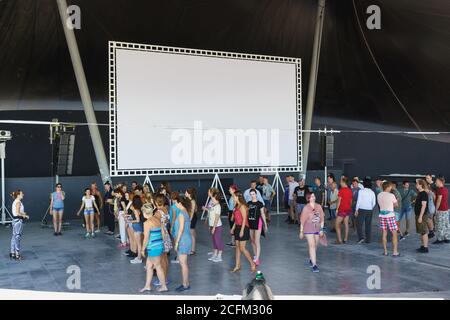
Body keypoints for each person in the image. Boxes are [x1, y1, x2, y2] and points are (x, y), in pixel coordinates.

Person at [140, 203, 168, 293]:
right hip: (159, 246)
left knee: (158, 266)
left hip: (153, 247)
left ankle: (164, 286)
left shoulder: (147, 223)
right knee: (149, 266)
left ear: (144, 213)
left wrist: (142, 249)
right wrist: (162, 244)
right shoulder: (157, 219)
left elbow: (146, 238)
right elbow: (163, 232)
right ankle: (147, 286)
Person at [230, 191, 256, 273]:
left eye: (234, 196)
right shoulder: (236, 206)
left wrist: (241, 230)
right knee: (237, 248)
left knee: (242, 248)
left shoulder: (243, 206)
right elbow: (237, 219)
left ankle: (252, 263)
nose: (233, 198)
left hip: (244, 228)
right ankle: (237, 266)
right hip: (237, 227)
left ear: (238, 197)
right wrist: (233, 227)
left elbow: (244, 219)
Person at [299, 193, 325, 273]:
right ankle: (314, 265)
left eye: (314, 196)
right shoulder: (306, 208)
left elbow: (322, 219)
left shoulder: (318, 206)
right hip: (308, 228)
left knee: (315, 244)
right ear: (308, 198)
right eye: (312, 196)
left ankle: (311, 258)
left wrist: (321, 229)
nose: (313, 197)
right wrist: (301, 231)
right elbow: (302, 221)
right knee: (312, 245)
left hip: (316, 228)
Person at [173, 196, 193, 292]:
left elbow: (181, 229)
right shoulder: (186, 211)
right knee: (183, 263)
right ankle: (186, 283)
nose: (175, 205)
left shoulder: (182, 214)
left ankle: (185, 284)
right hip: (185, 239)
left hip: (183, 240)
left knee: (183, 263)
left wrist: (176, 242)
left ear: (179, 203)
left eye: (175, 202)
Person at [153, 194, 172, 287]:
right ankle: (165, 277)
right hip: (166, 233)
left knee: (160, 260)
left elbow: (155, 224)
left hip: (160, 235)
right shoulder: (166, 209)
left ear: (156, 202)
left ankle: (162, 279)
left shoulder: (157, 212)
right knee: (165, 258)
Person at [377, 181, 400, 257]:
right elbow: (396, 205)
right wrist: (394, 202)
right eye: (390, 186)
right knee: (394, 233)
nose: (391, 188)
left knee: (384, 233)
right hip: (390, 215)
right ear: (387, 187)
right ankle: (395, 252)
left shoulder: (379, 195)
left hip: (382, 215)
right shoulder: (391, 195)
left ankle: (385, 251)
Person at [247, 189, 268, 266]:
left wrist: (265, 224)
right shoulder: (248, 203)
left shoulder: (260, 203)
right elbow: (247, 213)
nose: (252, 195)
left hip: (258, 223)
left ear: (256, 194)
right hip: (250, 223)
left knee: (257, 241)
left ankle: (257, 259)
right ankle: (255, 255)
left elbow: (262, 214)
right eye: (251, 194)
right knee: (252, 241)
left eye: (253, 194)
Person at [355, 178, 376, 244]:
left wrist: (356, 210)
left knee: (359, 224)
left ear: (364, 184)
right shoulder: (372, 192)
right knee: (368, 225)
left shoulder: (361, 191)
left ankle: (361, 238)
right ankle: (368, 239)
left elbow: (358, 201)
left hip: (361, 209)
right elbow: (374, 203)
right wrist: (370, 207)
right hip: (369, 210)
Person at [10, 190, 30, 260]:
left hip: (15, 221)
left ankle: (12, 252)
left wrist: (23, 213)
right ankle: (17, 254)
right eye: (22, 193)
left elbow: (18, 211)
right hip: (18, 221)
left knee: (14, 236)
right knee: (17, 237)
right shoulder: (18, 202)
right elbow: (18, 213)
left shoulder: (16, 201)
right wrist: (25, 216)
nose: (23, 194)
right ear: (18, 195)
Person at [206, 189, 224, 262]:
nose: (212, 199)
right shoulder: (213, 205)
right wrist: (210, 225)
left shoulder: (218, 206)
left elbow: (217, 218)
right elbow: (210, 214)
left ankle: (219, 256)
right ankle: (215, 254)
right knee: (214, 240)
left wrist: (213, 227)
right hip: (212, 225)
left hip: (217, 226)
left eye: (213, 198)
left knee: (218, 240)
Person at [335, 177, 352, 244]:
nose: (340, 183)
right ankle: (345, 239)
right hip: (348, 210)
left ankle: (339, 240)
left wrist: (337, 209)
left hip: (342, 210)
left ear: (343, 182)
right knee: (346, 224)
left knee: (336, 224)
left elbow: (339, 201)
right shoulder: (350, 190)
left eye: (341, 181)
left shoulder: (341, 190)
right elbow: (350, 201)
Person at [415, 179, 430, 253]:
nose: (416, 185)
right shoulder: (420, 193)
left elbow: (424, 206)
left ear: (421, 185)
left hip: (422, 216)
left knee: (423, 231)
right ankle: (423, 246)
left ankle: (425, 247)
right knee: (421, 231)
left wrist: (420, 216)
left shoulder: (423, 193)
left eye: (417, 183)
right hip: (418, 215)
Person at [433, 177, 449, 244]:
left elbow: (439, 200)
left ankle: (440, 239)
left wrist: (436, 209)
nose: (435, 182)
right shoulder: (446, 189)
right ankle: (447, 238)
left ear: (440, 181)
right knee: (446, 224)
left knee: (439, 224)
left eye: (436, 181)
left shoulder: (439, 190)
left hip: (441, 210)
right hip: (446, 209)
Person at [129, 196, 144, 264]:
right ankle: (138, 256)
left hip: (137, 228)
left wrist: (130, 221)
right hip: (138, 227)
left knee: (139, 244)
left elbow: (137, 220)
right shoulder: (139, 208)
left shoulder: (136, 210)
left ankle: (139, 258)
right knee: (139, 243)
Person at [185, 187, 198, 255]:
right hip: (190, 217)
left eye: (186, 192)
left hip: (192, 218)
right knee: (191, 233)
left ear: (189, 194)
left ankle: (193, 250)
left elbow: (192, 211)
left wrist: (190, 219)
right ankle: (191, 248)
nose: (185, 193)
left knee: (192, 234)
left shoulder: (192, 201)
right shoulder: (188, 200)